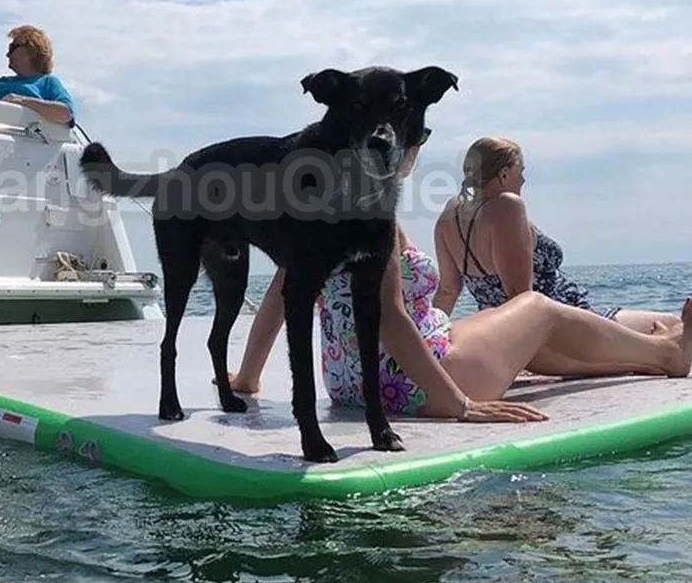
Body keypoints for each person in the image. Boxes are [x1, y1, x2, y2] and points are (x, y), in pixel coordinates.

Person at [227, 134, 692, 423]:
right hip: (414, 383)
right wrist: (458, 405)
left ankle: (647, 359)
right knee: (535, 308)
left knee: (510, 326)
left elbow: (281, 296)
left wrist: (248, 379)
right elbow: (387, 315)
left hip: (349, 383)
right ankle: (668, 354)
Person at [433, 137, 682, 333]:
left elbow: (447, 290)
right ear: (505, 174)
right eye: (521, 170)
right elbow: (521, 298)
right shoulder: (507, 206)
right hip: (565, 327)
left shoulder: (449, 215)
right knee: (673, 324)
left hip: (510, 333)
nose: (524, 179)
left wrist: (429, 340)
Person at [0, 25, 75, 126]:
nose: (7, 54)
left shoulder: (48, 82)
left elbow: (65, 114)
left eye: (12, 48)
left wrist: (21, 100)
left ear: (31, 50)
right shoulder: (2, 82)